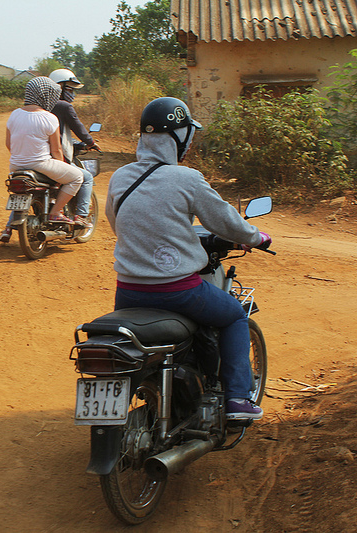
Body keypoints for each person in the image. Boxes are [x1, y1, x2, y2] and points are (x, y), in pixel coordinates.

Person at [105, 96, 270, 420]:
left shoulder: (119, 177)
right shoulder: (187, 179)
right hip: (179, 292)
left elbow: (117, 224)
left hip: (127, 292)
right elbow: (223, 220)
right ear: (178, 138)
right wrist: (255, 237)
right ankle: (238, 398)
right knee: (235, 314)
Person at [0, 76, 84, 243]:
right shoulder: (49, 118)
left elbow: (9, 144)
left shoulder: (14, 115)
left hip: (16, 166)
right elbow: (56, 149)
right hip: (41, 164)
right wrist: (60, 169)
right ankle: (56, 212)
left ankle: (10, 226)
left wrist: (22, 157)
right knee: (77, 177)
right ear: (47, 95)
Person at [49, 68, 100, 227]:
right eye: (69, 89)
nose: (72, 94)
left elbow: (60, 135)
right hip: (57, 158)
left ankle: (8, 227)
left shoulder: (39, 106)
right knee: (86, 178)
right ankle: (81, 216)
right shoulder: (63, 106)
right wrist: (90, 142)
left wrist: (76, 145)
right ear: (59, 87)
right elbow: (78, 128)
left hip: (36, 156)